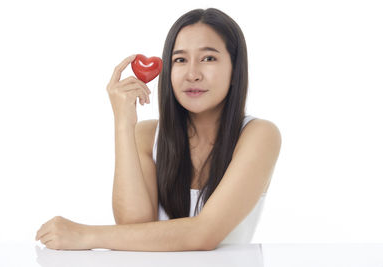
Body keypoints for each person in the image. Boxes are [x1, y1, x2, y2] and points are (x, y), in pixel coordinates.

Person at [35, 7, 281, 251]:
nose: (192, 74)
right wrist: (123, 122)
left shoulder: (259, 136)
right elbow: (133, 227)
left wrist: (85, 235)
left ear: (235, 70)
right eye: (180, 60)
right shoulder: (147, 136)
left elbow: (204, 233)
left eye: (208, 58)